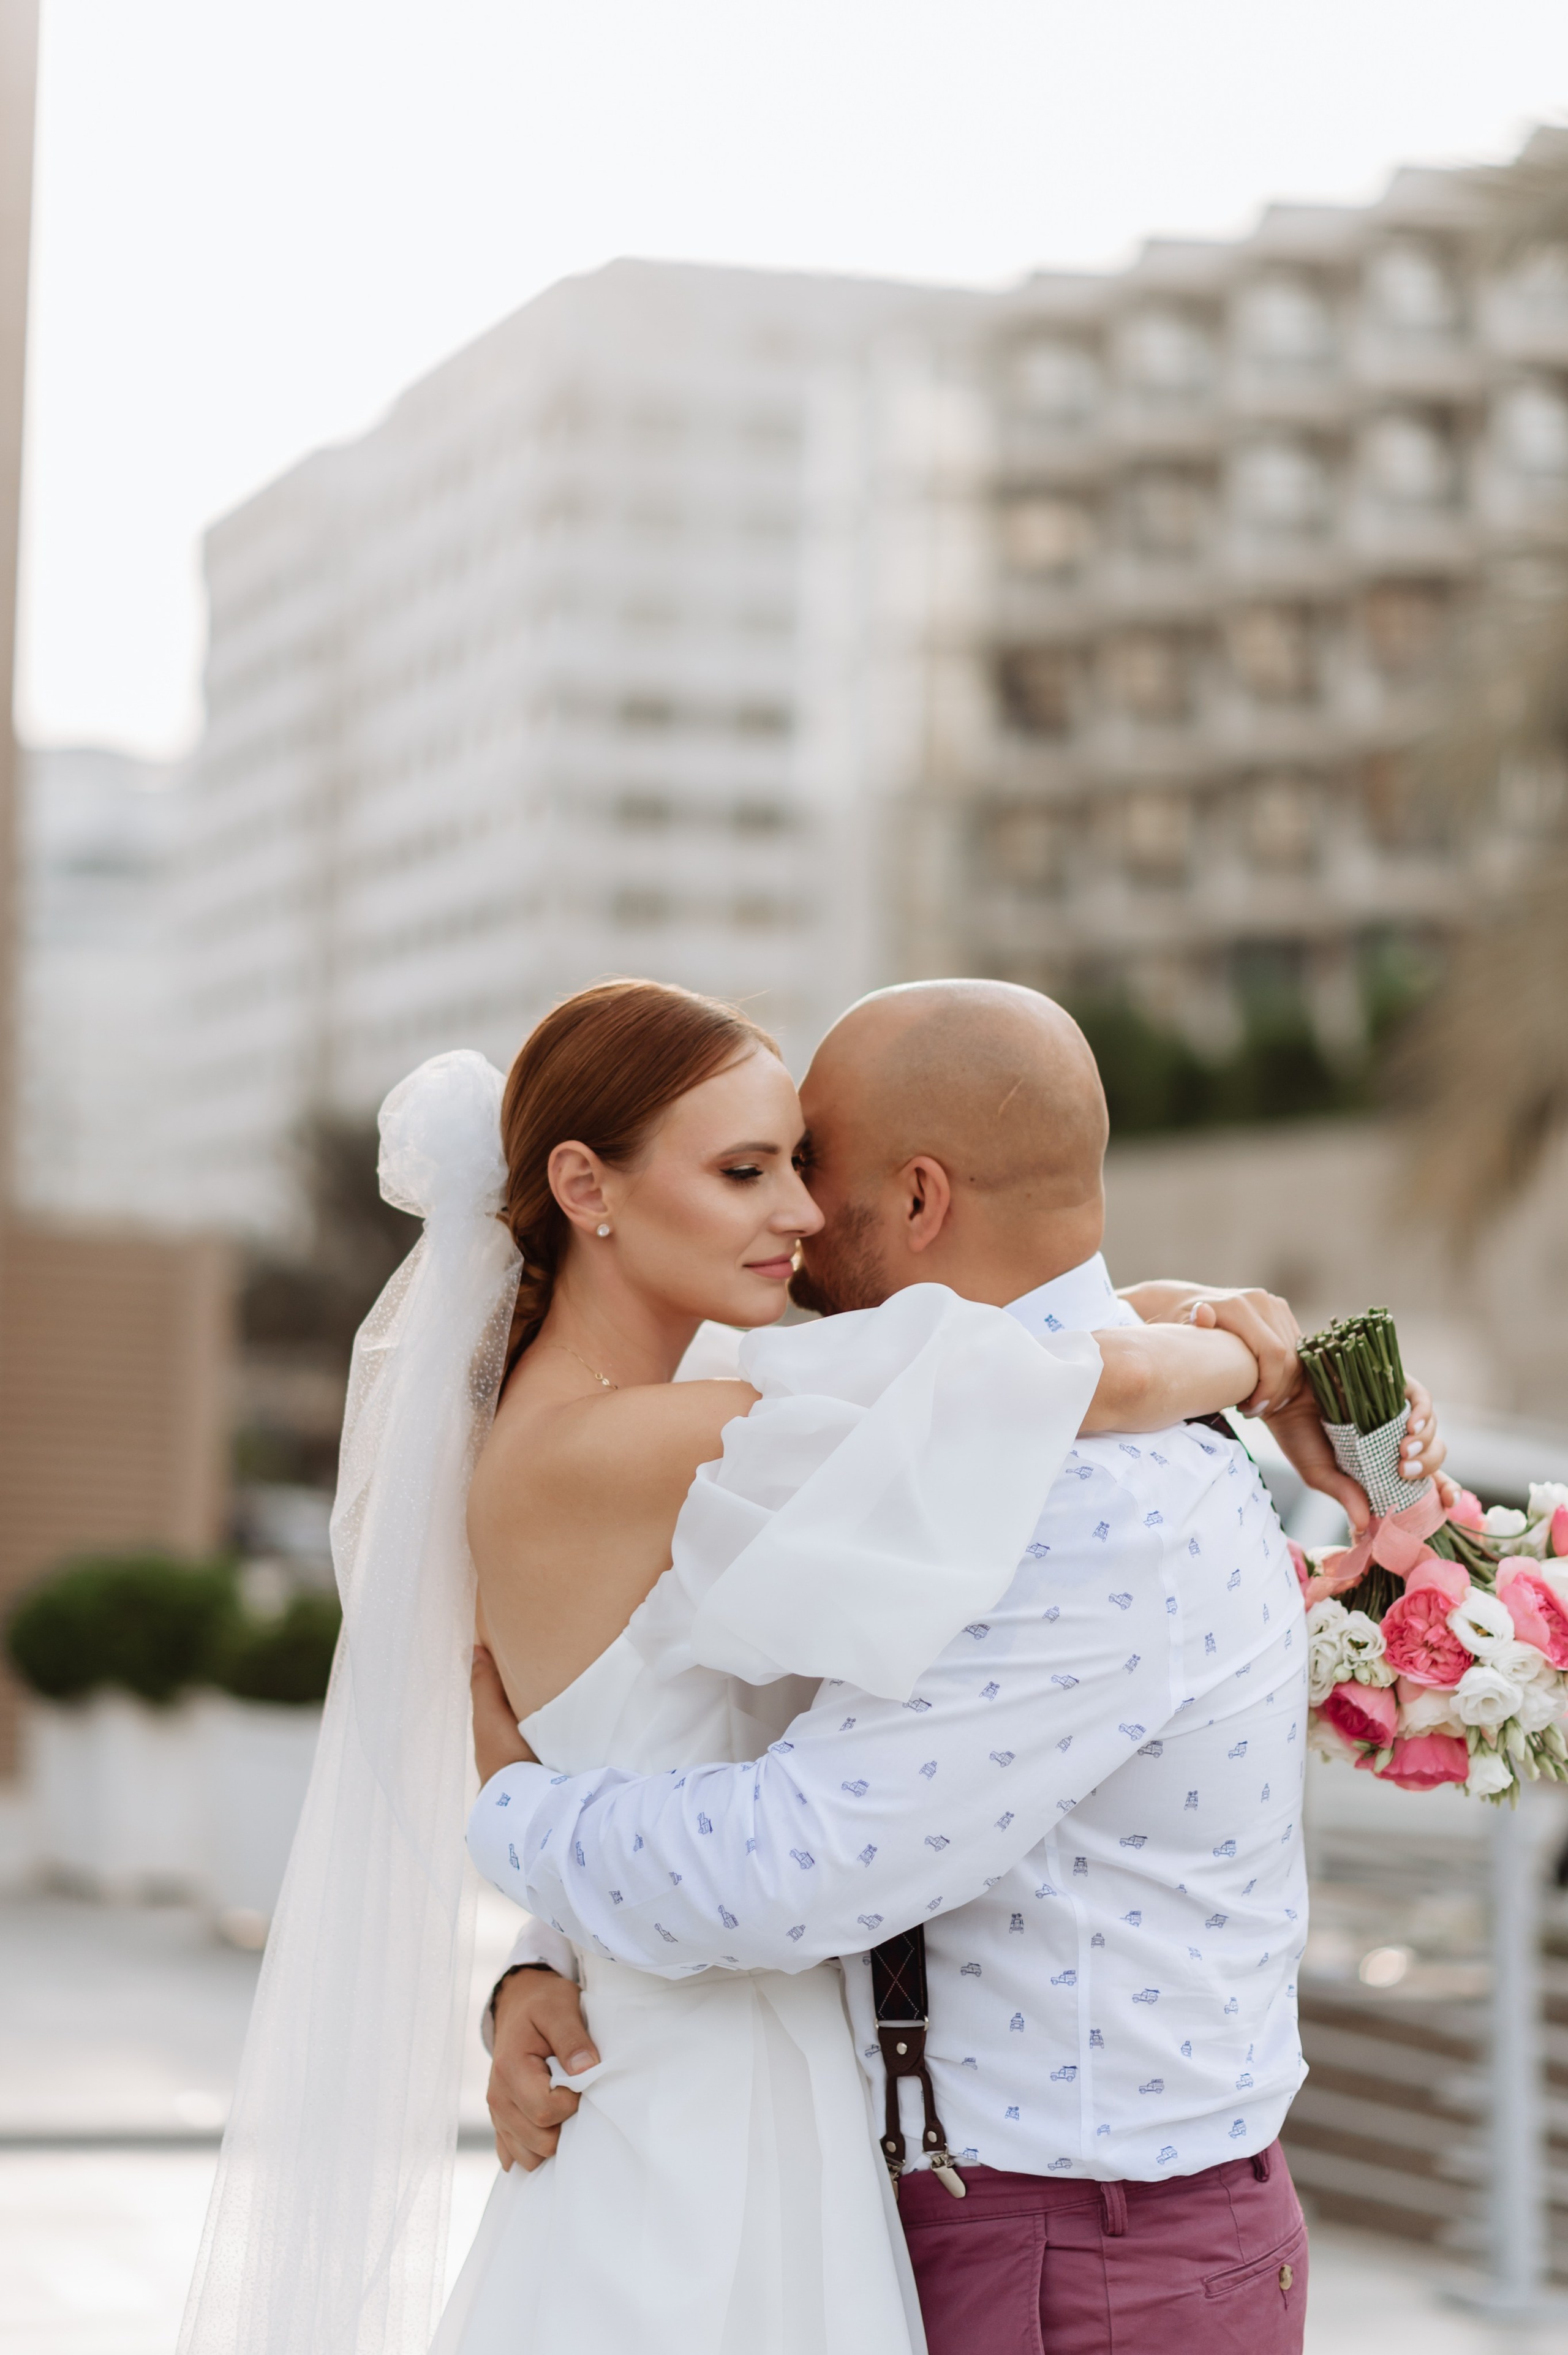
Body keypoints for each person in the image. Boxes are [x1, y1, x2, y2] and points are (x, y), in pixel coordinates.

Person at [465, 979, 1450, 2355]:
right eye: (753, 1169)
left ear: (920, 1198)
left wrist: (511, 1813)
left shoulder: (1079, 1498)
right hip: (878, 2179)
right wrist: (1241, 1355)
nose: (796, 1211)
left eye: (808, 1162)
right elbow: (686, 1720)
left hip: (1072, 2248)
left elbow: (789, 1864)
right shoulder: (876, 1434)